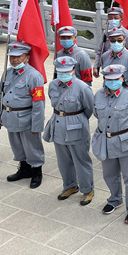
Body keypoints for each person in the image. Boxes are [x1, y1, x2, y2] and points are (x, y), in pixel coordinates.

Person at [91, 64, 128, 223]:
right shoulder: (99, 95)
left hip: (127, 142)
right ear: (104, 79)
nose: (112, 81)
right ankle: (115, 199)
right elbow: (98, 114)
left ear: (122, 79)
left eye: (116, 79)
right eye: (109, 79)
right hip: (106, 141)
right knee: (109, 175)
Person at [43, 56, 95, 205]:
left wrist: (76, 119)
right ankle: (70, 185)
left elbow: (89, 108)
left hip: (76, 126)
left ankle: (87, 189)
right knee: (63, 161)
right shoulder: (53, 85)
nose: (63, 74)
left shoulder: (82, 87)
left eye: (67, 71)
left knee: (81, 160)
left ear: (73, 70)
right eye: (60, 71)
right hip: (58, 125)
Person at [0, 42, 45, 188]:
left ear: (27, 58)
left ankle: (36, 171)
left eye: (19, 57)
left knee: (32, 147)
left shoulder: (34, 76)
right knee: (17, 146)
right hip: (10, 117)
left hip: (26, 117)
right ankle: (24, 168)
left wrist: (37, 124)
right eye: (12, 57)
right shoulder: (7, 72)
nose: (14, 60)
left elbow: (38, 103)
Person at [93, 6, 128, 76]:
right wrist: (96, 66)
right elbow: (100, 51)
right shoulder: (106, 33)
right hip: (107, 67)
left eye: (116, 18)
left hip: (122, 71)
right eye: (110, 18)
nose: (113, 20)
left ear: (121, 20)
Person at [100, 27, 128, 93]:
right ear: (109, 41)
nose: (116, 42)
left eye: (119, 40)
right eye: (113, 40)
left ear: (124, 41)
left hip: (126, 93)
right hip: (108, 93)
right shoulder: (104, 56)